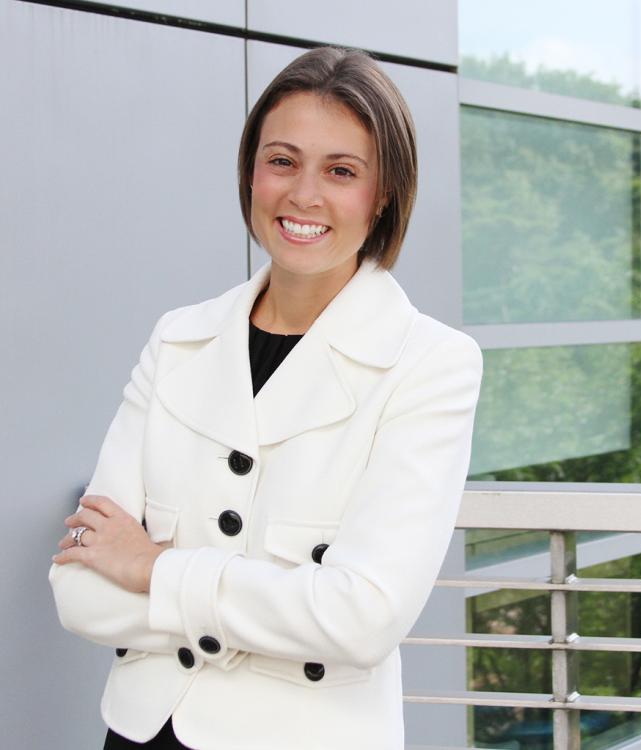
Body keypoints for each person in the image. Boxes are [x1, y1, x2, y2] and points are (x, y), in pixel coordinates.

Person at [49, 46, 482, 750]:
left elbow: (363, 618)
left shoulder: (431, 364)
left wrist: (154, 567)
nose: (304, 195)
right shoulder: (178, 339)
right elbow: (79, 587)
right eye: (282, 161)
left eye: (341, 171)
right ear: (251, 172)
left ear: (385, 195)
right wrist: (272, 611)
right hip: (140, 732)